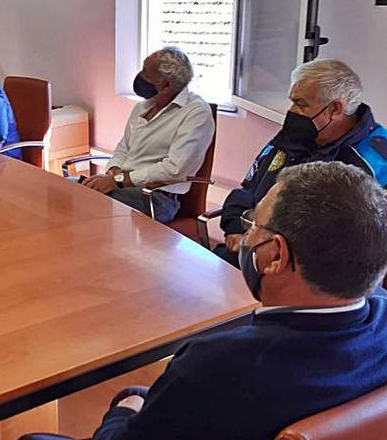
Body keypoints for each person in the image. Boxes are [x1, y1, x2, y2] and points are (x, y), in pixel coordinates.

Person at [88, 162, 387, 440]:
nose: (245, 239)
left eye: (253, 226)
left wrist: (125, 408)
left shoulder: (213, 366)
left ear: (276, 255)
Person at [215, 59, 387, 266]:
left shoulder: (374, 161)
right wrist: (234, 227)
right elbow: (248, 189)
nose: (292, 111)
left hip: (308, 274)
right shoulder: (292, 138)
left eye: (301, 104)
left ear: (334, 109)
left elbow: (355, 244)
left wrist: (267, 247)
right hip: (251, 254)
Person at [81, 47, 214, 223]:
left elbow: (174, 169)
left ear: (167, 85)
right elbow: (123, 149)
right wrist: (113, 174)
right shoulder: (143, 107)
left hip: (156, 199)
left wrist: (117, 181)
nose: (140, 77)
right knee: (71, 192)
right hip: (122, 187)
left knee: (85, 207)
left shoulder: (196, 113)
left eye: (146, 75)